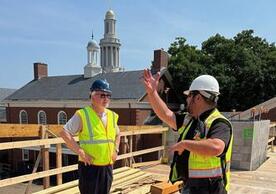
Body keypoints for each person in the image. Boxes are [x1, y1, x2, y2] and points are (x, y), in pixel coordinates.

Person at [143, 69, 233, 194]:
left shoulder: (219, 123)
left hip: (211, 189)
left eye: (189, 96)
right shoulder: (190, 120)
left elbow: (216, 147)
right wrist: (152, 93)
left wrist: (185, 144)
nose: (186, 100)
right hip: (191, 187)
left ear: (197, 98)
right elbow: (166, 114)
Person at [60, 79, 120, 194]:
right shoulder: (83, 115)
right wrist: (81, 152)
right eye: (102, 95)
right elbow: (64, 133)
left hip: (107, 167)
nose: (106, 98)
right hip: (89, 168)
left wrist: (116, 150)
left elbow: (118, 134)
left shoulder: (112, 116)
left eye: (108, 95)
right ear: (92, 96)